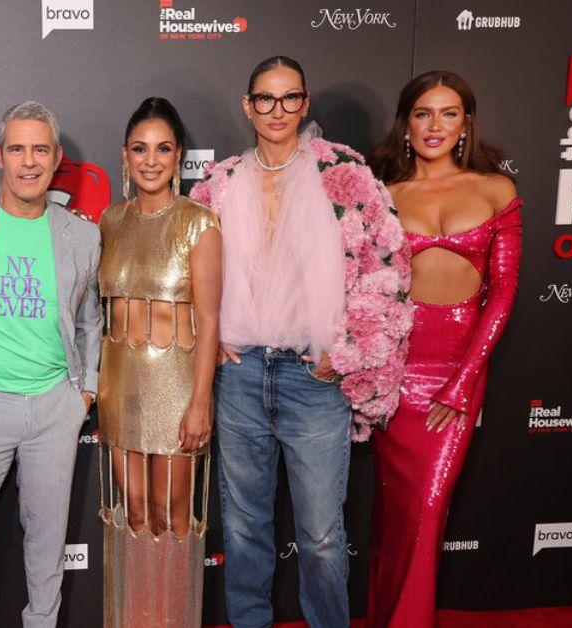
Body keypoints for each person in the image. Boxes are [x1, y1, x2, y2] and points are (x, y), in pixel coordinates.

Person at [189, 56, 412, 628]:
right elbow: (186, 274)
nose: (278, 110)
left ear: (305, 103)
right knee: (242, 529)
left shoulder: (347, 174)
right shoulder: (217, 186)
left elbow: (387, 267)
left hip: (312, 379)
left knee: (319, 534)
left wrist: (343, 358)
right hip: (238, 377)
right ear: (248, 105)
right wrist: (207, 339)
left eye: (290, 98)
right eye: (266, 98)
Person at [365, 70, 521, 628]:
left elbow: (501, 297)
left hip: (456, 372)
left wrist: (461, 381)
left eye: (449, 113)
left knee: (429, 510)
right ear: (406, 124)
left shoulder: (495, 190)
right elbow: (366, 287)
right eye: (423, 113)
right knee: (398, 516)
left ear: (466, 124)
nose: (436, 125)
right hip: (395, 371)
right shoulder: (383, 196)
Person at [0, 101, 101, 628]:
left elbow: (90, 320)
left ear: (56, 158)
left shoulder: (82, 235)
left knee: (48, 539)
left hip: (56, 406)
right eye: (17, 149)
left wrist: (85, 393)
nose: (28, 161)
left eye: (39, 149)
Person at [95, 97, 221, 627]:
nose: (151, 160)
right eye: (140, 149)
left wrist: (199, 404)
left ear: (179, 156)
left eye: (163, 149)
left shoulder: (200, 223)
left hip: (176, 390)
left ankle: (171, 619)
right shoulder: (110, 220)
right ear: (125, 156)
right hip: (120, 389)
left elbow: (210, 322)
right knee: (136, 514)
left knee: (172, 517)